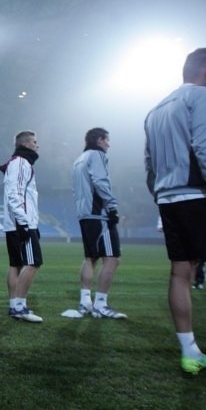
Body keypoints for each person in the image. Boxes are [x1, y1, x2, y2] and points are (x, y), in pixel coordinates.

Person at [144, 47, 206, 374]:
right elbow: (205, 145)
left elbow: (149, 166)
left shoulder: (154, 110)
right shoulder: (205, 96)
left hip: (169, 198)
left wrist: (162, 196)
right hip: (202, 193)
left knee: (180, 272)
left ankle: (189, 351)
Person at [72, 128, 127, 319]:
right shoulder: (97, 155)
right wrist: (112, 207)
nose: (108, 144)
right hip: (99, 214)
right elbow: (100, 181)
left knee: (90, 258)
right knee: (112, 258)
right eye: (107, 140)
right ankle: (101, 305)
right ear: (98, 140)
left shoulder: (79, 159)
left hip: (85, 214)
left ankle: (85, 301)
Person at [0, 131, 43, 322]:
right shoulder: (20, 162)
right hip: (21, 222)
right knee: (33, 263)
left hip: (15, 223)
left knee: (16, 264)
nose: (37, 145)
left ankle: (13, 306)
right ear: (25, 144)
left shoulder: (17, 162)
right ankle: (19, 306)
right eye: (35, 142)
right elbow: (14, 193)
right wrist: (25, 222)